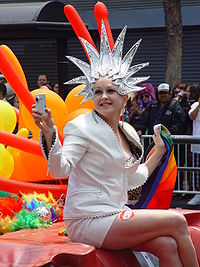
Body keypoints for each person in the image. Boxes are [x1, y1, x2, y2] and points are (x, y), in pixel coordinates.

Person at [32, 21, 198, 266]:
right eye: (97, 92)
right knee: (178, 222)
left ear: (124, 96)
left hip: (115, 214)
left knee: (168, 245)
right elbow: (60, 168)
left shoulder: (128, 131)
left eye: (111, 90)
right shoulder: (81, 126)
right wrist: (49, 133)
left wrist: (159, 150)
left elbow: (133, 178)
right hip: (88, 219)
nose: (104, 97)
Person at [187, 83, 200, 205]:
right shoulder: (195, 105)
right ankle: (197, 194)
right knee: (196, 171)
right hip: (197, 146)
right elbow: (191, 116)